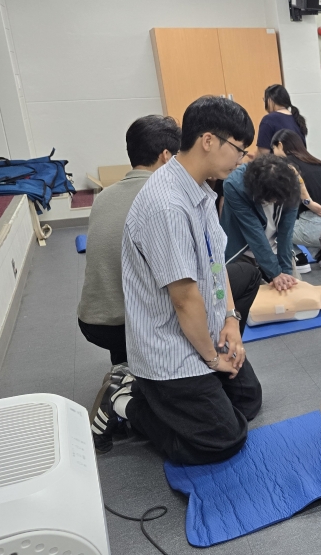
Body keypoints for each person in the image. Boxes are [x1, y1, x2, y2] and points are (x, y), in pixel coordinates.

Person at [89, 96, 262, 463]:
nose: (241, 158)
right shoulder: (166, 205)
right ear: (209, 140)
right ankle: (126, 404)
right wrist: (214, 359)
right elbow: (184, 300)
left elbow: (217, 263)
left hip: (203, 330)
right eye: (238, 149)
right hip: (168, 347)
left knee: (248, 401)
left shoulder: (201, 188)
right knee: (225, 440)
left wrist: (231, 320)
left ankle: (177, 396)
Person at [78, 115, 180, 368]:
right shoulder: (164, 198)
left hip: (92, 321)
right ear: (166, 155)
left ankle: (125, 369)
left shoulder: (103, 196)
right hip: (129, 325)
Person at [221, 154, 302, 287]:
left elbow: (286, 233)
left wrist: (286, 272)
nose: (275, 202)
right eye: (272, 199)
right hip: (242, 249)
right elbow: (254, 232)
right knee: (250, 300)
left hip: (274, 247)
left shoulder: (290, 182)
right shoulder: (235, 185)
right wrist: (275, 273)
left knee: (293, 291)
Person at [271, 129, 321, 267]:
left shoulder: (284, 165)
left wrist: (308, 202)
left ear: (280, 145)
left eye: (274, 148)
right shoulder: (317, 163)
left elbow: (297, 179)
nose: (273, 153)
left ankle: (299, 259)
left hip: (312, 230)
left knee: (272, 225)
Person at [257, 84, 307, 155]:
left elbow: (263, 154)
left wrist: (252, 162)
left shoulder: (269, 119)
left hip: (280, 165)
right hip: (299, 164)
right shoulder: (297, 118)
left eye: (265, 100)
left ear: (270, 100)